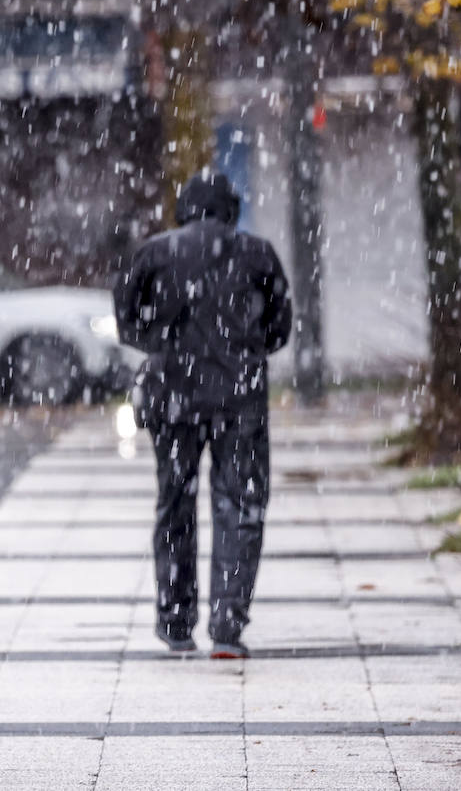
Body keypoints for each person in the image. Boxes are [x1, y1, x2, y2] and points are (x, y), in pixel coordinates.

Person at [113, 170, 292, 659]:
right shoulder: (257, 253)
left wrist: (166, 348)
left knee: (176, 502)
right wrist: (244, 352)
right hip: (241, 400)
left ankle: (175, 619)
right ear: (230, 209)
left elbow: (127, 322)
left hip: (173, 398)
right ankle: (228, 623)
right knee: (239, 506)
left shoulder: (154, 252)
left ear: (184, 208)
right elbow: (281, 327)